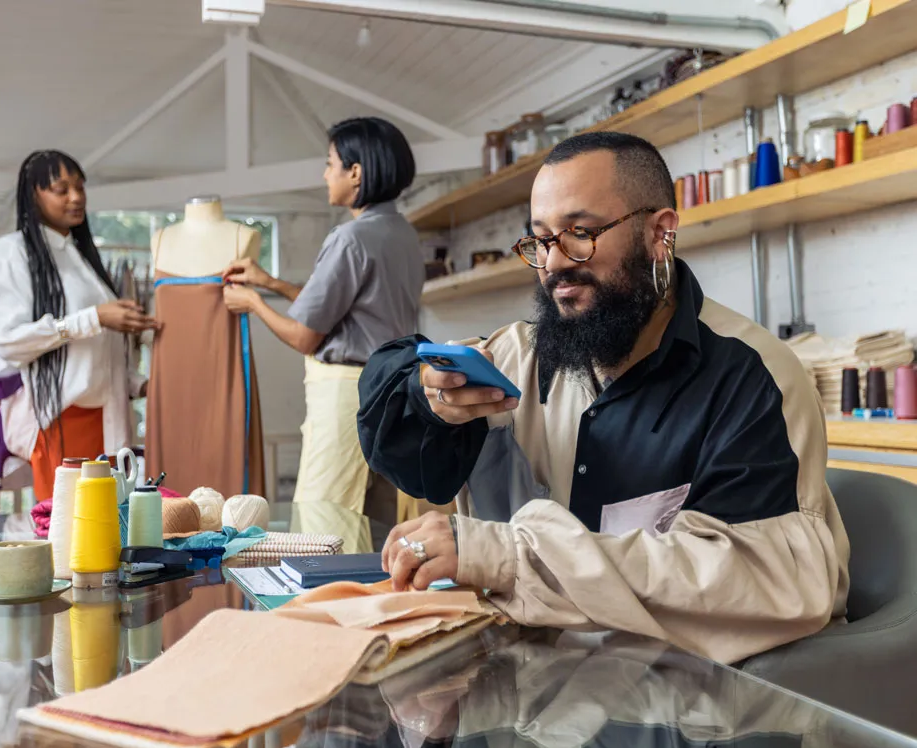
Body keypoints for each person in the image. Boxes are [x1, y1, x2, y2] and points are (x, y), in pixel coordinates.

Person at [357, 132, 850, 665]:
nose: (553, 265)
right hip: (536, 688)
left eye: (580, 234)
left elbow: (755, 582)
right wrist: (426, 394)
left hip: (686, 705)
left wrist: (504, 556)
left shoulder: (753, 379)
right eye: (541, 240)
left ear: (660, 234)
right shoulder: (522, 357)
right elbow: (389, 392)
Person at [223, 117, 424, 520]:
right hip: (395, 388)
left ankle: (330, 587)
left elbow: (304, 336)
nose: (325, 173)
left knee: (325, 517)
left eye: (331, 163)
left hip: (348, 396)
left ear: (356, 173)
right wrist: (271, 283)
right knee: (379, 518)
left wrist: (253, 303)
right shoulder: (402, 233)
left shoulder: (350, 238)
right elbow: (347, 310)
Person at [0, 150, 159, 502]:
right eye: (61, 189)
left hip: (104, 417)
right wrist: (96, 317)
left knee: (105, 532)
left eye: (80, 187)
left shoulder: (80, 258)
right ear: (34, 194)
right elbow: (8, 341)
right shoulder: (11, 253)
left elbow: (92, 354)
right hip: (58, 417)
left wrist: (140, 383)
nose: (76, 197)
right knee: (69, 537)